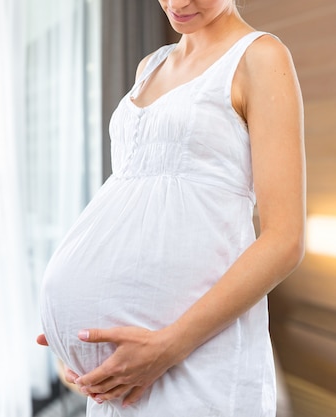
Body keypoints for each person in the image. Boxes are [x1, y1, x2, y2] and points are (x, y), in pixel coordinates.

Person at [37, 0, 305, 415]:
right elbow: (131, 207)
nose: (178, 3)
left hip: (194, 357)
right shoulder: (149, 66)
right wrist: (77, 347)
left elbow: (285, 240)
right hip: (124, 376)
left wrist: (166, 347)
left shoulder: (260, 57)